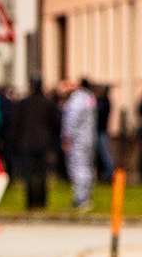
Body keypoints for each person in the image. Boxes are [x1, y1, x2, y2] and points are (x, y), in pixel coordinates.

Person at [9, 79, 55, 209]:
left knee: (29, 173)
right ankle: (41, 201)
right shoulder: (47, 102)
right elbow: (53, 123)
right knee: (42, 174)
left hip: (27, 143)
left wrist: (16, 141)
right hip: (43, 142)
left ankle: (30, 201)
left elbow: (17, 123)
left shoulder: (24, 103)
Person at [61, 79, 97, 211]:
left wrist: (67, 137)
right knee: (85, 167)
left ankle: (81, 198)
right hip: (87, 139)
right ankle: (84, 196)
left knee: (78, 167)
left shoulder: (77, 100)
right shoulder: (88, 98)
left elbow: (71, 120)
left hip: (77, 140)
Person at [93, 82, 115, 178]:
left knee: (104, 153)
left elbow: (98, 113)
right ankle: (103, 173)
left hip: (101, 131)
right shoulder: (103, 101)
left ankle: (109, 173)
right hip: (99, 130)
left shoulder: (104, 102)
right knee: (100, 153)